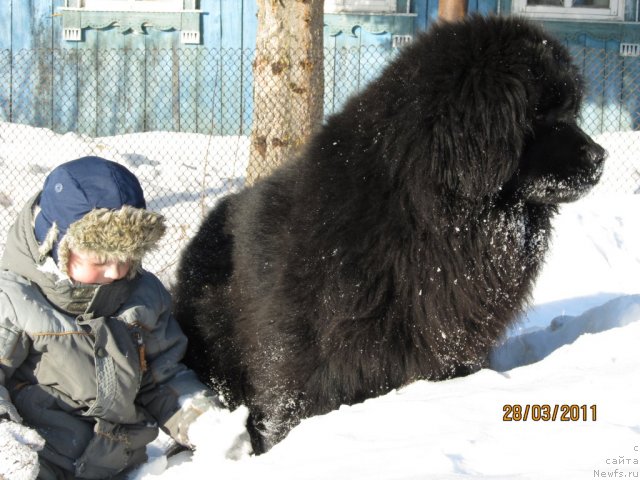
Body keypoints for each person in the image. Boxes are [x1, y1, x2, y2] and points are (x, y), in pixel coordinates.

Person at [0, 156, 246, 479]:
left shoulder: (142, 297)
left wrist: (202, 421)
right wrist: (7, 443)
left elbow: (163, 377)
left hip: (121, 468)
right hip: (41, 467)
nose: (116, 270)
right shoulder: (14, 300)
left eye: (127, 257)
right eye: (101, 258)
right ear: (57, 245)